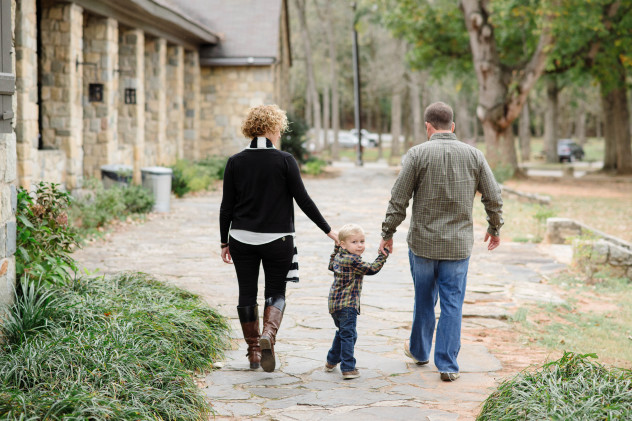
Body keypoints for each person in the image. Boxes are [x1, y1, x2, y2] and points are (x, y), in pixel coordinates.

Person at [379, 101, 503, 382]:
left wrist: (387, 233)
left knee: (424, 298)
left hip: (422, 244)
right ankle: (447, 364)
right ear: (453, 126)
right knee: (452, 303)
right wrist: (495, 227)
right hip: (458, 247)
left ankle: (420, 352)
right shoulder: (474, 156)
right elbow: (493, 196)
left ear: (428, 127)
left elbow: (398, 200)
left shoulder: (416, 155)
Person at [220, 104, 338, 372]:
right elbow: (303, 200)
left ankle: (253, 353)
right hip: (279, 241)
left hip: (241, 239)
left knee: (246, 292)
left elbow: (226, 206)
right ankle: (268, 337)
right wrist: (328, 230)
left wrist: (224, 241)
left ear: (250, 129)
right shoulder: (285, 160)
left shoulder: (235, 162)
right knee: (276, 291)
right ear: (275, 128)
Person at [325, 224, 389, 379]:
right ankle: (348, 368)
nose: (360, 245)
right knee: (349, 336)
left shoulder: (339, 256)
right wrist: (383, 256)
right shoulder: (353, 260)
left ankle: (331, 361)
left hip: (334, 304)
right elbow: (372, 269)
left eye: (362, 241)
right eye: (354, 242)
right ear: (343, 244)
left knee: (344, 333)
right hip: (348, 305)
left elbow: (331, 265)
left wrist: (335, 249)